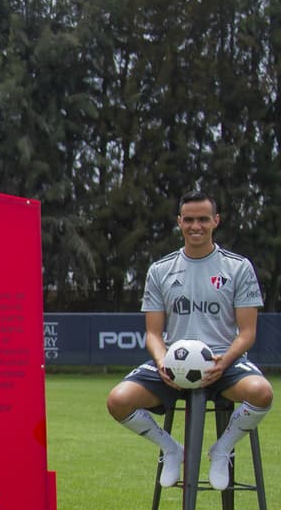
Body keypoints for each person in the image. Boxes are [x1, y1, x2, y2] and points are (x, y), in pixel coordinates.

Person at [106, 191, 272, 491]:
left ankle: (222, 449)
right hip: (173, 365)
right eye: (190, 220)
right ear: (179, 222)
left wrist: (224, 362)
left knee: (262, 393)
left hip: (225, 363)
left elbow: (247, 333)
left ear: (216, 221)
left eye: (203, 219)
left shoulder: (237, 267)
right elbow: (154, 334)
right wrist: (162, 363)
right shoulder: (160, 270)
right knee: (118, 401)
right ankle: (172, 449)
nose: (196, 226)